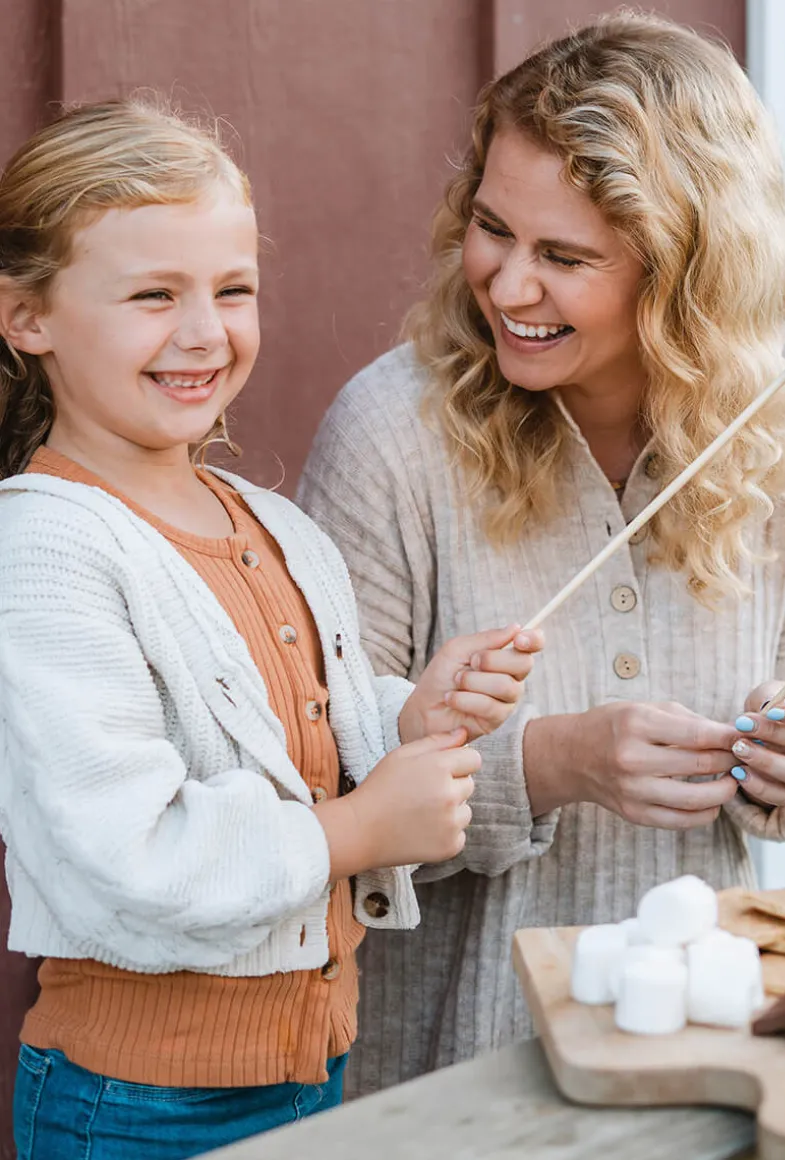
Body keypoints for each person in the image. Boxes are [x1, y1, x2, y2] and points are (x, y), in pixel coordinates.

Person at [298, 11, 785, 1096]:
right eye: (491, 228)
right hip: (447, 1079)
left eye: (564, 257)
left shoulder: (783, 427)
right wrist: (547, 761)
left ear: (680, 274)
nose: (508, 285)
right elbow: (320, 793)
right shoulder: (391, 432)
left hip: (706, 1061)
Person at [0, 99, 542, 1159]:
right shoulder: (46, 551)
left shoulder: (277, 526)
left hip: (313, 1069)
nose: (205, 332)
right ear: (28, 316)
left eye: (232, 289)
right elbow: (131, 853)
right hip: (140, 1104)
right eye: (154, 294)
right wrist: (357, 831)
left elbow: (298, 738)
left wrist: (413, 710)